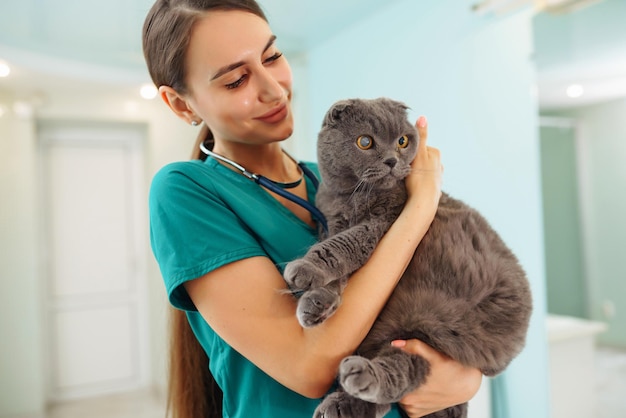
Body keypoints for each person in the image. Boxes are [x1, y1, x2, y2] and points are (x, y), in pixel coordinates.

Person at [143, 1, 482, 417]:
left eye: (272, 56)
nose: (274, 88)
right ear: (181, 104)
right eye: (236, 80)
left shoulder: (340, 180)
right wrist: (421, 205)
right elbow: (308, 365)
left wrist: (465, 376)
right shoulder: (185, 191)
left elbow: (436, 308)